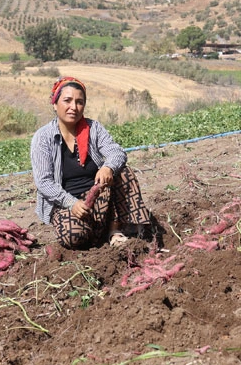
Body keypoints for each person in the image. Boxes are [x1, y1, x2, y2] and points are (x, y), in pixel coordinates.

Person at [31, 77, 153, 248]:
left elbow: (116, 152)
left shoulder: (93, 128)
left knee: (123, 172)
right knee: (73, 236)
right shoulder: (43, 138)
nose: (73, 107)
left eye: (79, 102)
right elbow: (44, 182)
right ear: (55, 103)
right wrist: (71, 203)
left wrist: (108, 167)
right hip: (66, 203)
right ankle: (101, 231)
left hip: (100, 195)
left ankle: (115, 230)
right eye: (67, 100)